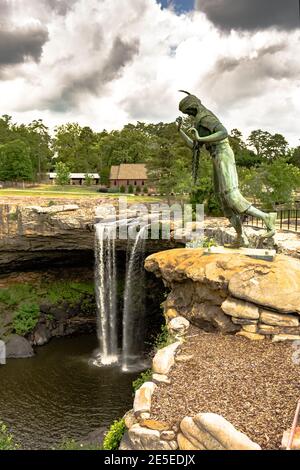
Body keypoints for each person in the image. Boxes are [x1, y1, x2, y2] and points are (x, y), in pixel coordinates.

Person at [176, 91, 277, 247]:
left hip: (223, 155)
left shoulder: (206, 117)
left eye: (188, 111)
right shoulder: (198, 121)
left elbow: (223, 133)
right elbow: (195, 146)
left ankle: (266, 217)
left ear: (193, 106)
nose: (188, 115)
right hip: (215, 157)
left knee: (232, 197)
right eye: (186, 113)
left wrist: (201, 138)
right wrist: (180, 131)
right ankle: (240, 238)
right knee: (222, 200)